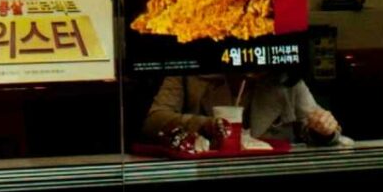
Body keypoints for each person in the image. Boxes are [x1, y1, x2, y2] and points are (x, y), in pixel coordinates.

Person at [144, 69, 345, 151]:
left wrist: (325, 131)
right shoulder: (189, 72)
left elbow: (317, 125)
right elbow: (154, 120)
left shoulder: (285, 78)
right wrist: (205, 125)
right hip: (205, 182)